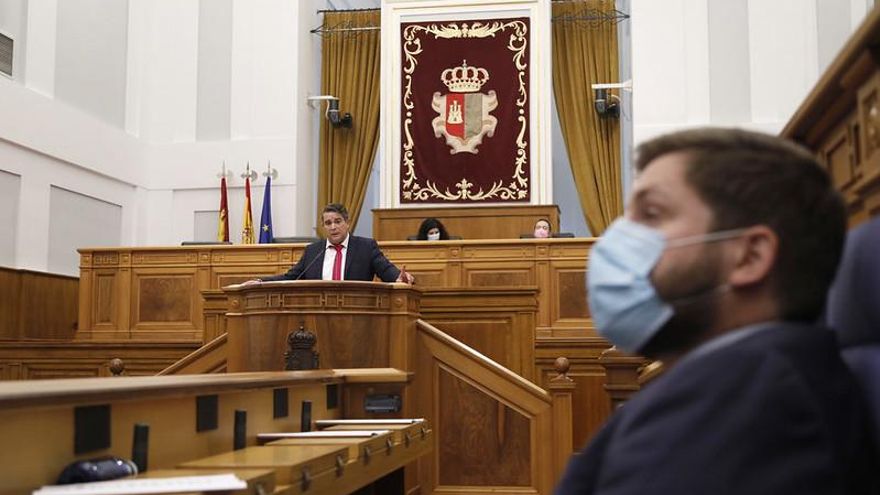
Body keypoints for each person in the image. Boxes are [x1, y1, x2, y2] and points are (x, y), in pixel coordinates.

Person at [556, 128, 878, 494]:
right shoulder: (739, 378)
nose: (617, 239)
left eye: (652, 214)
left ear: (750, 256)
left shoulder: (752, 401)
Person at [245, 203, 414, 284]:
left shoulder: (365, 247)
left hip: (355, 316)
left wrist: (399, 277)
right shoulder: (313, 251)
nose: (333, 227)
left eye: (337, 221)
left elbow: (386, 271)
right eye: (328, 223)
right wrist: (261, 281)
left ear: (347, 223)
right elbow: (291, 277)